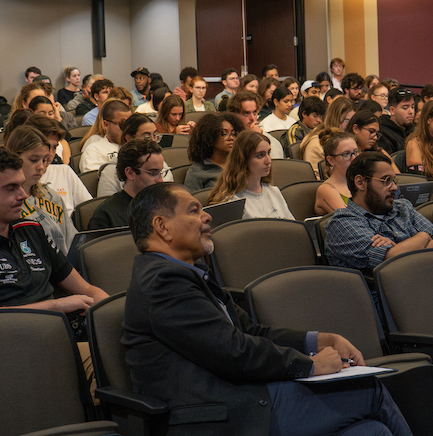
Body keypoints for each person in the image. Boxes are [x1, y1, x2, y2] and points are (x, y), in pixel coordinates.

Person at [122, 182, 411, 436]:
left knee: (372, 431)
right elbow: (233, 351)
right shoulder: (163, 281)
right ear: (162, 226)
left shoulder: (185, 273)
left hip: (243, 398)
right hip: (217, 416)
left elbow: (250, 331)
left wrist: (320, 340)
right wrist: (309, 365)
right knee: (368, 390)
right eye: (194, 211)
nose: (207, 216)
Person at [0, 145, 109, 313]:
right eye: (11, 188)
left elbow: (88, 290)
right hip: (12, 335)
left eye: (22, 185)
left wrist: (107, 310)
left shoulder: (33, 230)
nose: (23, 195)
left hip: (58, 330)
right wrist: (56, 306)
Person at [325, 151, 433, 275]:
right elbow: (392, 264)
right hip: (383, 295)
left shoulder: (403, 207)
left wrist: (400, 248)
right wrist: (424, 237)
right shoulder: (342, 223)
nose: (394, 187)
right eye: (386, 180)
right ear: (360, 183)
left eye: (393, 180)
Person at [5, 126, 78, 255]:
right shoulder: (4, 202)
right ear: (14, 158)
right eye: (34, 160)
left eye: (44, 160)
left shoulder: (51, 196)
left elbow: (73, 242)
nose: (41, 166)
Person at [208, 130, 294, 219]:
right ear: (243, 160)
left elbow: (293, 227)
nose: (268, 161)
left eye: (268, 153)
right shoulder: (231, 202)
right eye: (260, 155)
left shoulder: (274, 192)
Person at [89, 139, 166, 230]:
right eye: (153, 173)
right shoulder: (106, 216)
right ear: (130, 173)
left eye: (160, 173)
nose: (160, 180)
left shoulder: (167, 208)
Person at [96, 114, 175, 198]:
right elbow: (108, 206)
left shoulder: (161, 164)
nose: (153, 141)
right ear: (129, 138)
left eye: (155, 135)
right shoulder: (111, 171)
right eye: (146, 137)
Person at [29, 115, 92, 220]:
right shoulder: (18, 180)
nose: (50, 154)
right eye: (46, 147)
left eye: (54, 147)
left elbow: (88, 210)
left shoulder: (64, 171)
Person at [183, 112, 245, 193]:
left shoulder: (241, 164)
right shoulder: (197, 171)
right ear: (210, 137)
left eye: (233, 133)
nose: (231, 138)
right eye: (224, 133)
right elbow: (191, 202)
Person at [302, 97, 355, 176]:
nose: (350, 126)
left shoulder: (351, 141)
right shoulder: (317, 144)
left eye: (352, 121)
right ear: (334, 119)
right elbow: (316, 179)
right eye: (346, 121)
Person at [228, 90, 285, 159]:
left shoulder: (267, 138)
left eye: (255, 113)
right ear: (234, 115)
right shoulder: (229, 139)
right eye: (246, 113)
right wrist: (251, 138)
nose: (252, 118)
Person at [80, 100, 133, 172]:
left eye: (130, 124)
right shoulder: (94, 151)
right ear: (106, 125)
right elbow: (99, 180)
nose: (127, 129)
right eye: (122, 125)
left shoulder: (137, 145)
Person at [314, 131, 358, 215]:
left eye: (355, 152)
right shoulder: (326, 190)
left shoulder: (361, 182)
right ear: (331, 160)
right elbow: (350, 221)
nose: (353, 159)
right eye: (346, 154)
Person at [345, 110, 400, 174]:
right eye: (371, 131)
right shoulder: (344, 154)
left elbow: (397, 176)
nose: (375, 138)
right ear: (356, 129)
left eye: (376, 134)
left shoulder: (380, 152)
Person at [377, 88, 415, 154]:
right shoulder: (382, 133)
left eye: (412, 107)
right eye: (405, 108)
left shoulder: (415, 131)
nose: (411, 112)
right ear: (392, 110)